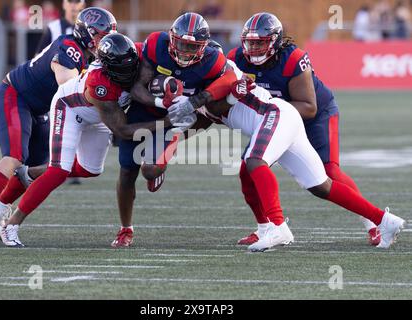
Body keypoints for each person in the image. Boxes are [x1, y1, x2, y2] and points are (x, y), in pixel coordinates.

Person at [0, 33, 182, 247]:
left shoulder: (139, 54)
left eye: (132, 66)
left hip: (101, 116)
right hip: (71, 109)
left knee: (90, 169)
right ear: (108, 68)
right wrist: (167, 122)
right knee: (58, 172)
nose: (129, 73)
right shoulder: (99, 84)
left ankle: (30, 173)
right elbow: (122, 129)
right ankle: (10, 226)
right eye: (122, 70)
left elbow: (140, 82)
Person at [202, 72, 405, 251]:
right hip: (282, 119)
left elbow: (219, 96)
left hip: (275, 115)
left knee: (255, 161)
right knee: (321, 186)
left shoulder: (222, 70)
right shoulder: (196, 87)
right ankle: (385, 220)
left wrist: (195, 102)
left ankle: (278, 227)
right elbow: (197, 118)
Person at [227, 12, 382, 246]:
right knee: (249, 169)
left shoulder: (293, 58)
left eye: (260, 42)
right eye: (251, 42)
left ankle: (373, 222)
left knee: (330, 172)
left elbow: (309, 107)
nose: (254, 48)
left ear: (275, 42)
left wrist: (272, 113)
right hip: (273, 118)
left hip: (315, 114)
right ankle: (266, 227)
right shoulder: (235, 59)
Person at [0, 7, 117, 236]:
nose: (104, 41)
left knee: (31, 168)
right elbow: (69, 89)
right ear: (86, 33)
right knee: (15, 156)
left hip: (39, 109)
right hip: (16, 95)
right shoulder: (70, 50)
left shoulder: (85, 52)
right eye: (100, 35)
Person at [112, 12, 237, 247]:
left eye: (191, 47)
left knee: (149, 170)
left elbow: (226, 85)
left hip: (177, 119)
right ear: (171, 38)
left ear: (203, 47)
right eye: (180, 43)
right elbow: (137, 85)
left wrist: (194, 102)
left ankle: (167, 152)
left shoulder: (213, 61)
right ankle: (125, 229)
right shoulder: (157, 45)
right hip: (144, 111)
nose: (183, 51)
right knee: (127, 171)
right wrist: (160, 102)